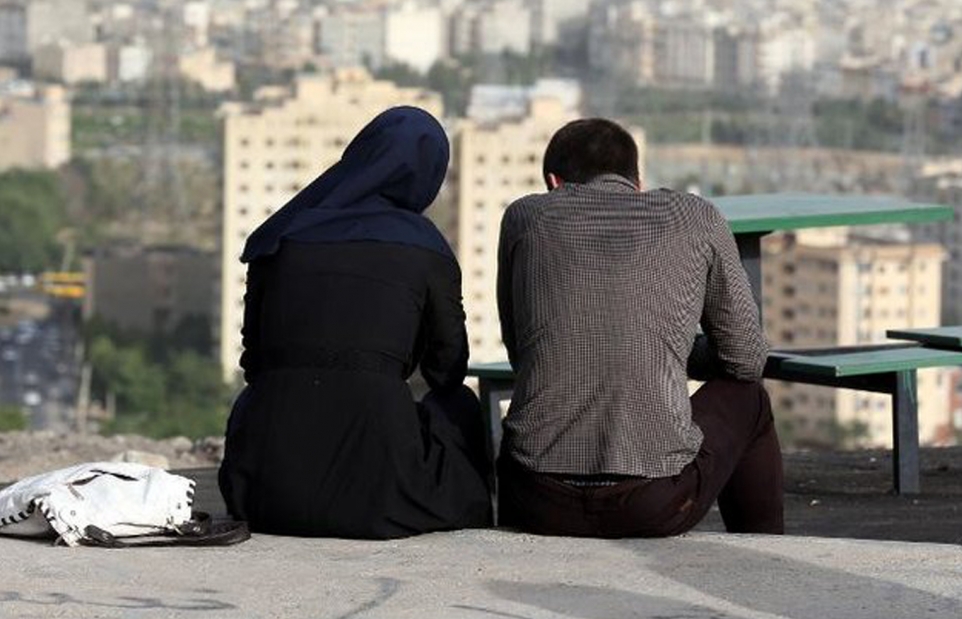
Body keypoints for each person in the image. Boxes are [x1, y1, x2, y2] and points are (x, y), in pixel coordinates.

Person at [495, 118, 783, 537]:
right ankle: (764, 551)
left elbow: (522, 354)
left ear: (554, 183)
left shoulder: (525, 217)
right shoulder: (696, 217)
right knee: (750, 398)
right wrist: (673, 348)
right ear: (638, 182)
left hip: (536, 500)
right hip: (652, 503)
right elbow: (747, 359)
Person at [218, 107, 493, 539]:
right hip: (381, 493)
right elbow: (447, 369)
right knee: (458, 404)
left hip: (265, 490)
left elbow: (253, 362)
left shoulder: (282, 235)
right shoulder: (426, 248)